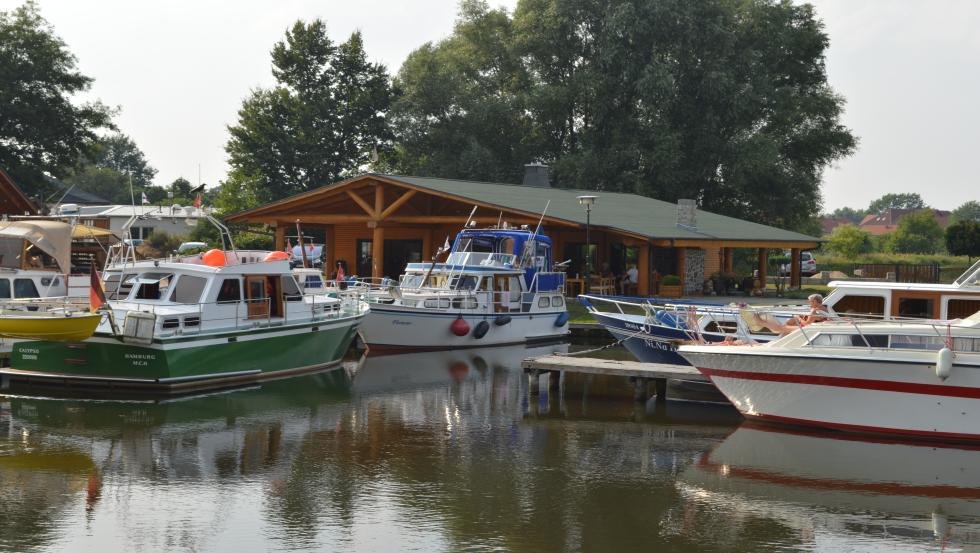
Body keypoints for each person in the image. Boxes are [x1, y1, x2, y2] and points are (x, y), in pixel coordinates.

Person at [750, 293, 829, 335]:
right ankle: (761, 322)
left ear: (815, 301)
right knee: (783, 327)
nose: (808, 302)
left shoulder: (814, 311)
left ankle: (758, 321)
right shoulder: (824, 308)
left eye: (810, 301)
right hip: (812, 329)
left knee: (778, 328)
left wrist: (798, 318)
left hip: (806, 329)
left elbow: (807, 323)